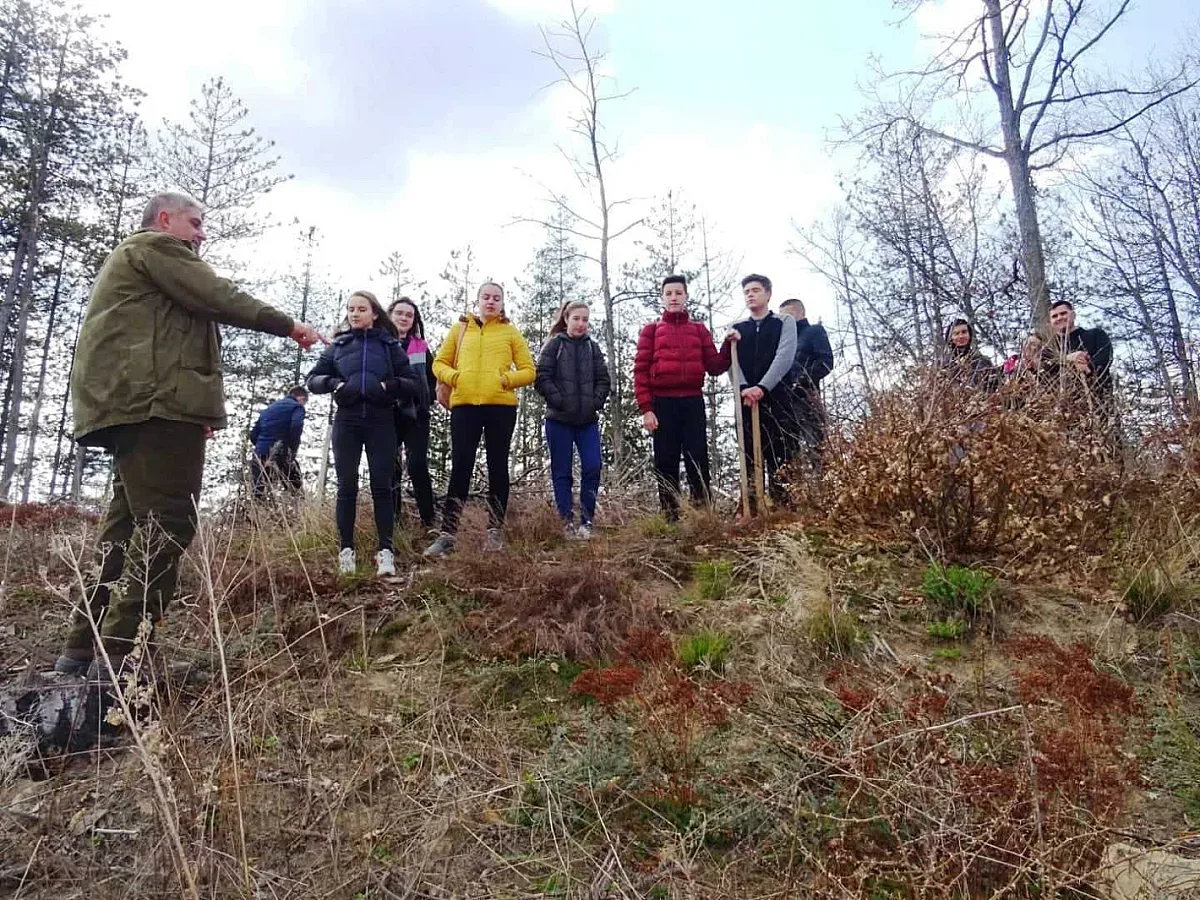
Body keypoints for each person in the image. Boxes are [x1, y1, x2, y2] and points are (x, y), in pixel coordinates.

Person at [56, 191, 326, 677]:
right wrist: (287, 325)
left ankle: (80, 650)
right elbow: (218, 296)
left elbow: (175, 334)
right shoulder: (156, 248)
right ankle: (124, 657)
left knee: (126, 526)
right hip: (152, 405)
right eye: (196, 223)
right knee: (169, 522)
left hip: (140, 403)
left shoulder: (142, 267)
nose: (202, 234)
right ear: (165, 219)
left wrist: (195, 405)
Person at [307, 291, 420, 576]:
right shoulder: (338, 346)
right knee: (347, 487)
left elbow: (411, 382)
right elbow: (312, 380)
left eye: (361, 309)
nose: (355, 313)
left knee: (383, 486)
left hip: (382, 422)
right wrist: (335, 383)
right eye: (351, 309)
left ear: (374, 314)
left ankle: (386, 553)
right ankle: (346, 551)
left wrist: (386, 387)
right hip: (347, 422)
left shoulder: (390, 345)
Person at [424, 282, 535, 557]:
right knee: (461, 466)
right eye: (486, 297)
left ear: (502, 303)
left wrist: (505, 379)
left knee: (499, 467)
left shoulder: (510, 332)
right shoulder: (460, 329)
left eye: (496, 298)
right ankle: (448, 535)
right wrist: (455, 377)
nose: (490, 302)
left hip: (500, 407)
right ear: (477, 300)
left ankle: (494, 532)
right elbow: (438, 363)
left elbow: (529, 370)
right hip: (464, 407)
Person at [633, 275, 730, 521]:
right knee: (666, 462)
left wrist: (729, 345)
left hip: (692, 402)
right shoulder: (651, 331)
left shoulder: (699, 330)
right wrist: (646, 409)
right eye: (669, 293)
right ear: (662, 298)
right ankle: (670, 518)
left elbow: (715, 366)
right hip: (662, 404)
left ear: (686, 296)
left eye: (678, 293)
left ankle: (702, 515)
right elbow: (640, 371)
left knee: (698, 458)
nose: (674, 297)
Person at [535, 300, 611, 539]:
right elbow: (541, 378)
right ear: (566, 319)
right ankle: (565, 521)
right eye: (576, 318)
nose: (581, 324)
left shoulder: (593, 348)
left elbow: (604, 380)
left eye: (585, 320)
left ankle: (587, 522)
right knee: (562, 471)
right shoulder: (554, 345)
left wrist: (595, 402)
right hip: (558, 421)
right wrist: (559, 400)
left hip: (587, 421)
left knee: (593, 466)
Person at [722, 274, 797, 509]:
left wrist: (763, 387)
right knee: (749, 452)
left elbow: (784, 356)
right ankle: (751, 505)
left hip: (777, 398)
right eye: (746, 291)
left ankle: (781, 507)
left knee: (780, 452)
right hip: (746, 400)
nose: (751, 295)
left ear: (768, 294)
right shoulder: (736, 329)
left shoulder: (783, 322)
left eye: (755, 290)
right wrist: (744, 388)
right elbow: (731, 362)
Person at [387, 297, 437, 533]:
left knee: (417, 465)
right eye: (400, 313)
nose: (404, 318)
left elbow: (432, 379)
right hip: (387, 415)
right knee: (390, 467)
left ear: (414, 320)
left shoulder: (421, 347)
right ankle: (394, 522)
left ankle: (430, 522)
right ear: (389, 315)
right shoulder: (381, 343)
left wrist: (426, 400)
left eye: (409, 315)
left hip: (417, 415)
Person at [779, 297, 834, 474]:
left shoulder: (814, 332)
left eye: (787, 315)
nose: (784, 321)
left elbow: (825, 362)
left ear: (800, 313)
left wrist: (801, 382)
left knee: (816, 447)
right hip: (784, 402)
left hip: (807, 398)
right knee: (788, 451)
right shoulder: (783, 341)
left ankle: (824, 491)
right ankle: (795, 495)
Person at [1048, 300, 1114, 402]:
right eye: (1054, 316)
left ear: (1073, 314)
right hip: (1063, 404)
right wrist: (1068, 358)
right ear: (1050, 322)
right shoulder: (1050, 347)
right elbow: (1047, 370)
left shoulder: (1095, 335)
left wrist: (1087, 367)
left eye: (1063, 313)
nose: (1059, 318)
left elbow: (1105, 358)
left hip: (1099, 398)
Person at [249, 386, 308, 499]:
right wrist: (292, 450)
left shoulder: (269, 409)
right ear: (301, 398)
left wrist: (262, 447)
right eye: (305, 402)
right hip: (281, 452)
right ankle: (300, 511)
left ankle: (257, 513)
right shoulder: (297, 407)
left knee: (258, 492)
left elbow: (253, 435)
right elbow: (296, 425)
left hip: (259, 454)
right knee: (295, 489)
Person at [941, 318, 999, 390]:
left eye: (964, 332)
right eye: (956, 333)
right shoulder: (943, 365)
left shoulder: (983, 362)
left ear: (969, 334)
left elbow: (995, 388)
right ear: (950, 338)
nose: (961, 336)